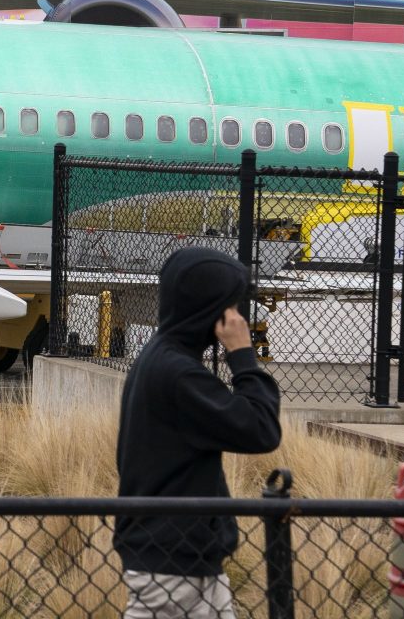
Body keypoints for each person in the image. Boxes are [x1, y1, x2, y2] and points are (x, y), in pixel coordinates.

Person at [114, 247, 282, 619]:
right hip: (172, 563)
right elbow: (261, 429)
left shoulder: (160, 357)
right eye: (232, 306)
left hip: (182, 555)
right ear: (211, 311)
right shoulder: (179, 375)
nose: (238, 317)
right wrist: (242, 355)